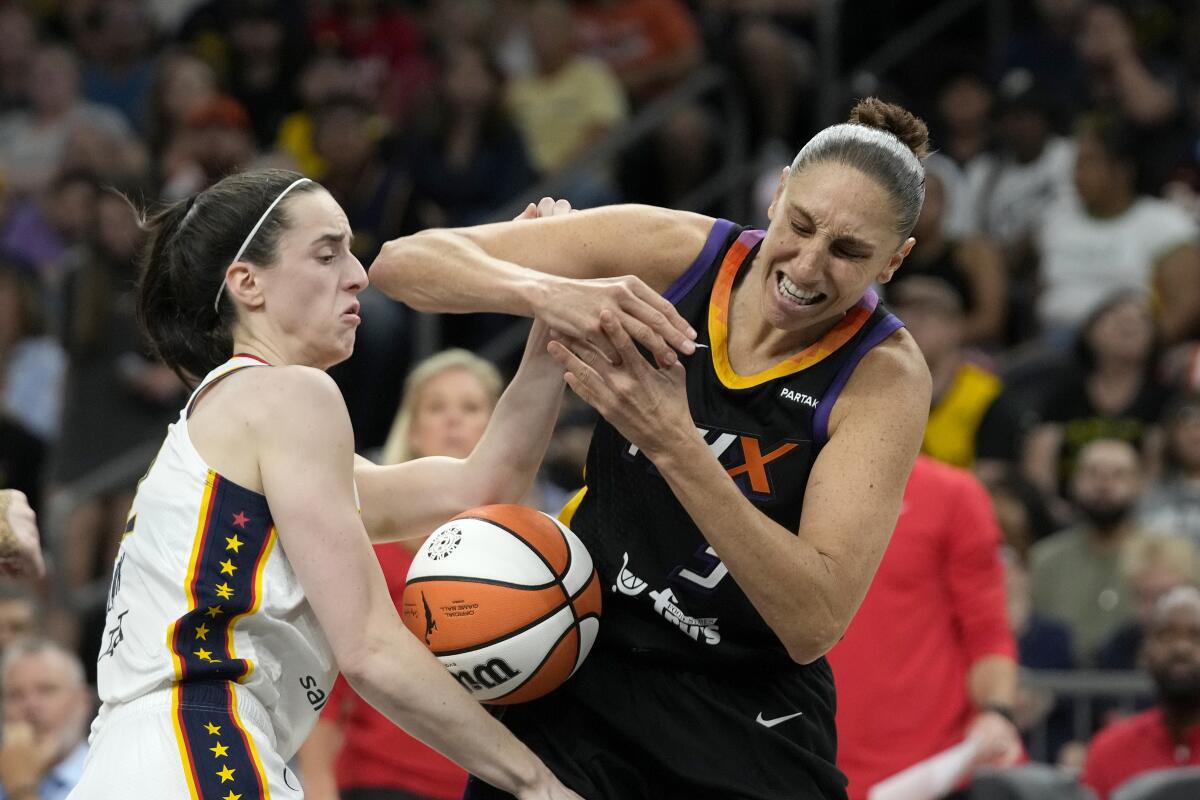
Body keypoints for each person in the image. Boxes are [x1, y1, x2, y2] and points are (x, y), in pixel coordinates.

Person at [371, 97, 933, 799]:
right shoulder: (677, 253)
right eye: (801, 225)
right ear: (780, 190)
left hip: (742, 700)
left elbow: (811, 622)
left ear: (895, 260)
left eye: (849, 251)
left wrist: (673, 441)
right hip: (588, 656)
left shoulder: (884, 376)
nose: (809, 265)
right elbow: (403, 263)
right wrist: (548, 293)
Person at [65, 169, 590, 799]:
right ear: (248, 283)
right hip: (198, 744)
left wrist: (551, 311)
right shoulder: (289, 394)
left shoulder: (250, 417)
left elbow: (479, 489)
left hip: (143, 762)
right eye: (327, 251)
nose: (359, 274)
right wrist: (537, 782)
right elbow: (369, 646)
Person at [298, 349, 505, 800]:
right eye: (436, 407)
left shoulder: (531, 556)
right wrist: (316, 782)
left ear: (498, 432)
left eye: (470, 408)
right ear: (412, 429)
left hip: (491, 783)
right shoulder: (366, 546)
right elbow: (326, 683)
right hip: (380, 782)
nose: (453, 420)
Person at [827, 455, 1022, 800]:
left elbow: (986, 628)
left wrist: (996, 712)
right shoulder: (783, 481)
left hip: (924, 772)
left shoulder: (952, 494)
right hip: (806, 762)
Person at [1030, 439, 1150, 666]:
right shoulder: (1044, 559)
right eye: (1092, 473)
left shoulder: (1166, 556)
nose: (1104, 485)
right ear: (1074, 483)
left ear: (1139, 485)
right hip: (1059, 690)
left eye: (1119, 475)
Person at [1080, 586, 1200, 799]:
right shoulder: (1109, 750)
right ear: (1145, 653)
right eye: (1167, 635)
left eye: (1196, 636)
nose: (1181, 648)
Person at [0, 639, 92, 800]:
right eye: (15, 695)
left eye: (46, 690)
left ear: (83, 702)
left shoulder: (111, 775)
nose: (31, 705)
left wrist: (20, 789)